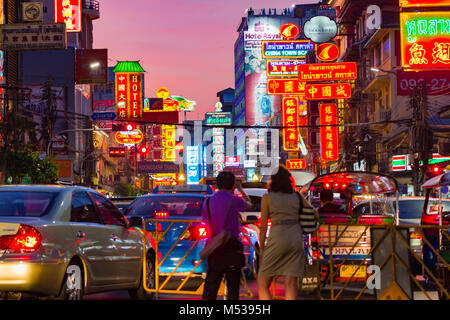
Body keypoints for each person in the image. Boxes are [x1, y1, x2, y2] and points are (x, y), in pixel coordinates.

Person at [258, 165, 318, 300]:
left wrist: (262, 249)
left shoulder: (267, 198)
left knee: (263, 282)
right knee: (290, 284)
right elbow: (313, 211)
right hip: (296, 238)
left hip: (277, 237)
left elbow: (262, 227)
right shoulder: (296, 195)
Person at [201, 171, 252, 300]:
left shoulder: (207, 201)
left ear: (217, 184)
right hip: (231, 247)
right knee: (233, 288)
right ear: (232, 185)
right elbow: (249, 204)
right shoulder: (234, 200)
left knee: (211, 287)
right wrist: (240, 189)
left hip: (214, 246)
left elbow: (206, 220)